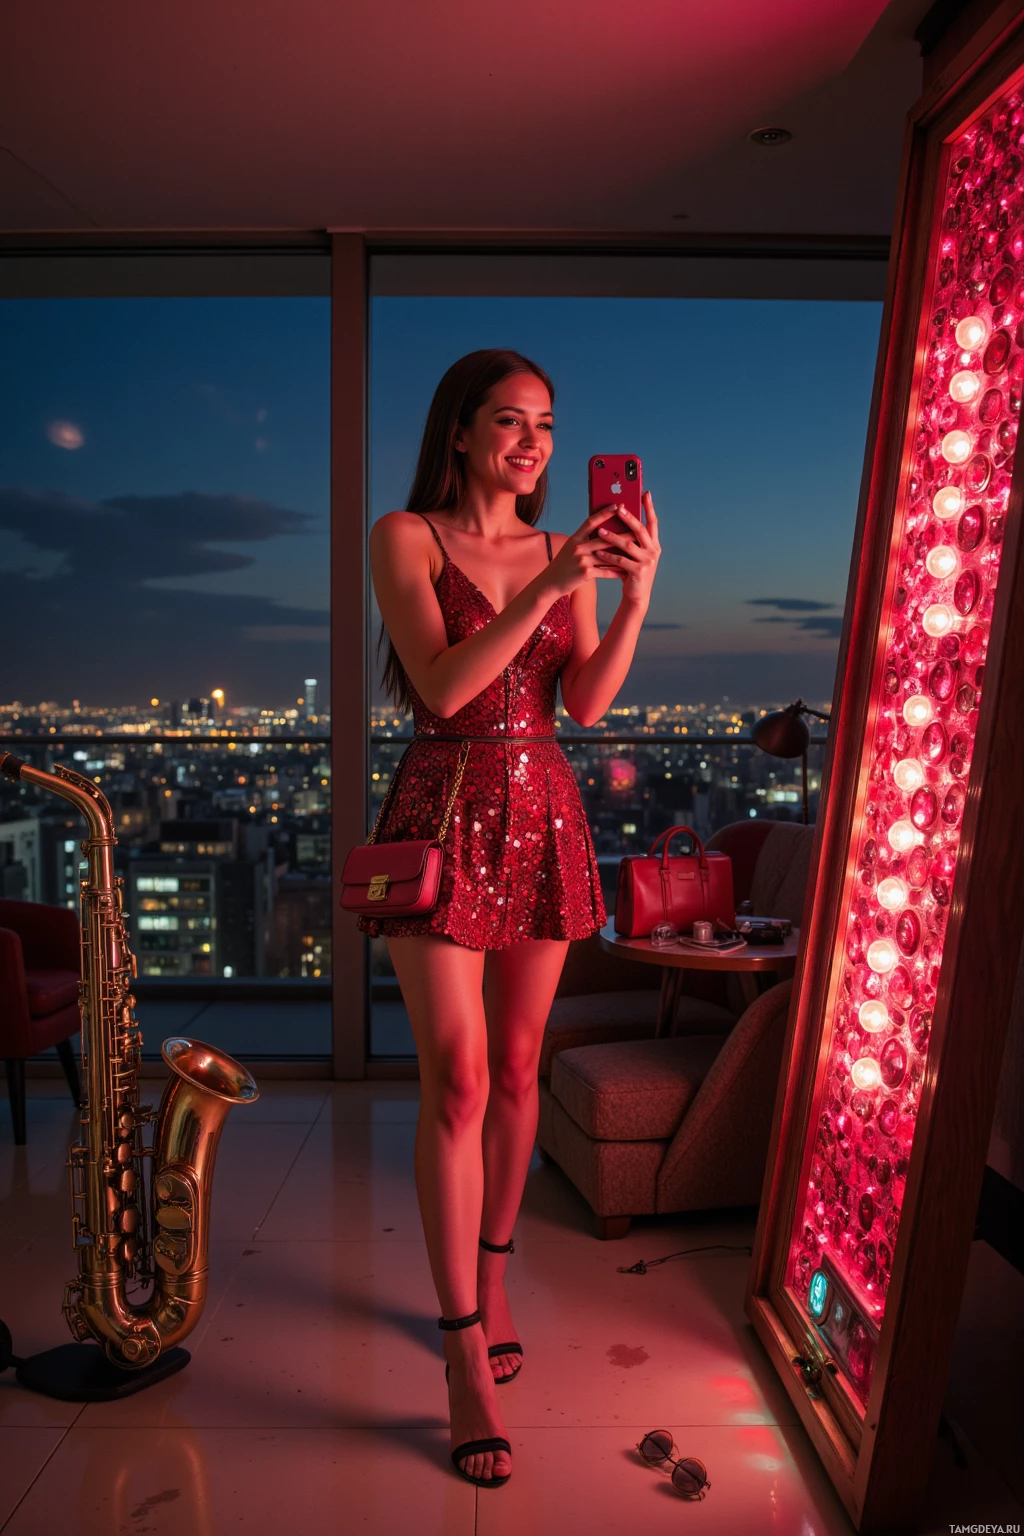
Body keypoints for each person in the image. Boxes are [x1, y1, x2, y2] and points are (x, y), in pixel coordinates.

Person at [362, 348, 660, 1487]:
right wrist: (542, 589)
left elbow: (580, 701)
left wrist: (629, 594)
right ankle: (458, 1356)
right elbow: (440, 688)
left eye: (546, 424)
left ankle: (491, 1280)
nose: (533, 444)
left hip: (542, 807)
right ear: (460, 434)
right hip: (443, 808)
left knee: (525, 1063)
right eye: (509, 422)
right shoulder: (407, 536)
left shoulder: (560, 553)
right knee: (461, 1075)